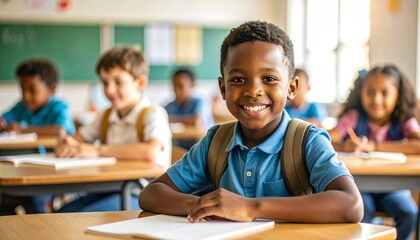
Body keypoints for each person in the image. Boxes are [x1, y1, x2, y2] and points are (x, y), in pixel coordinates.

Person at [138, 21, 363, 224]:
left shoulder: (307, 141)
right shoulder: (215, 142)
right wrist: (200, 205)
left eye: (269, 79)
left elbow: (350, 204)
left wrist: (250, 207)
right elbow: (151, 193)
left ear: (291, 88)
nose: (253, 90)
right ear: (223, 89)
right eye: (238, 80)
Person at [55, 46, 172, 212]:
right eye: (104, 82)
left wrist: (97, 150)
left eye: (118, 82)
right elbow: (80, 138)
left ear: (139, 83)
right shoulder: (107, 115)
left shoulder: (153, 114)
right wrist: (68, 143)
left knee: (80, 217)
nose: (109, 90)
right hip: (107, 188)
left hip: (142, 195)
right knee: (62, 214)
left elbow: (149, 151)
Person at [329, 65, 420, 240]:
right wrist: (344, 146)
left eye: (384, 93)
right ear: (361, 93)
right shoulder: (354, 117)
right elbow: (325, 139)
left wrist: (375, 146)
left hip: (395, 188)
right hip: (361, 187)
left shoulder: (404, 119)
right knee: (361, 211)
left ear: (398, 97)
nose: (376, 99)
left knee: (408, 212)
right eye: (370, 92)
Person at [0, 58, 75, 215]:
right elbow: (4, 119)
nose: (26, 96)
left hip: (51, 173)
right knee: (5, 199)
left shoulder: (59, 107)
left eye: (32, 90)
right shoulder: (22, 106)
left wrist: (22, 129)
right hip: (21, 169)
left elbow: (59, 131)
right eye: (22, 90)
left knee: (32, 199)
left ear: (51, 89)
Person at [165, 69, 213, 149]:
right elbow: (161, 118)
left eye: (180, 86)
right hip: (179, 145)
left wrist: (172, 119)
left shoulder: (200, 102)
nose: (176, 90)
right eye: (174, 85)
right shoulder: (171, 105)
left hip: (202, 146)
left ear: (192, 86)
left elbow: (197, 121)